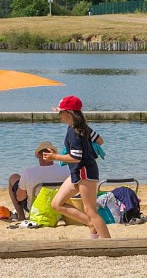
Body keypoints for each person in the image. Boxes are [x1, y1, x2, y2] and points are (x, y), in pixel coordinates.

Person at [43, 95, 111, 239]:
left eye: (60, 112)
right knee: (57, 204)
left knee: (91, 211)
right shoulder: (81, 128)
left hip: (85, 172)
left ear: (69, 113)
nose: (59, 115)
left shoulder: (74, 132)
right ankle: (90, 225)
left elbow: (76, 157)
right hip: (79, 172)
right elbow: (100, 141)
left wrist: (55, 157)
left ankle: (109, 244)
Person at [8, 141, 70, 221]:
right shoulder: (65, 170)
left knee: (14, 177)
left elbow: (20, 198)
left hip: (35, 208)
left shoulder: (29, 172)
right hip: (58, 207)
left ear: (38, 155)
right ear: (54, 155)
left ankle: (21, 216)